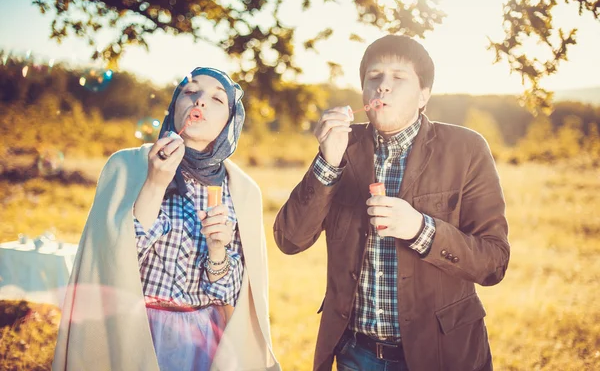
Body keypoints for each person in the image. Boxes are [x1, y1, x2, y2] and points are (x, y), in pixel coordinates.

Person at [273, 35, 509, 371]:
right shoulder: (342, 147)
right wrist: (328, 162)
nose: (383, 86)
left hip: (443, 354)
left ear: (423, 94)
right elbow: (289, 239)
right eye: (374, 77)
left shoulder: (466, 148)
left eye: (398, 78)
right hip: (356, 355)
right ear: (364, 93)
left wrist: (419, 229)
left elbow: (493, 262)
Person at [53, 67, 280, 371]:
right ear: (175, 106)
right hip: (131, 331)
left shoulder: (241, 190)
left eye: (216, 99)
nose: (200, 101)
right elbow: (112, 262)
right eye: (191, 91)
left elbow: (234, 297)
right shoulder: (126, 166)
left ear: (230, 122)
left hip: (202, 338)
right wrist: (155, 184)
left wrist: (217, 250)